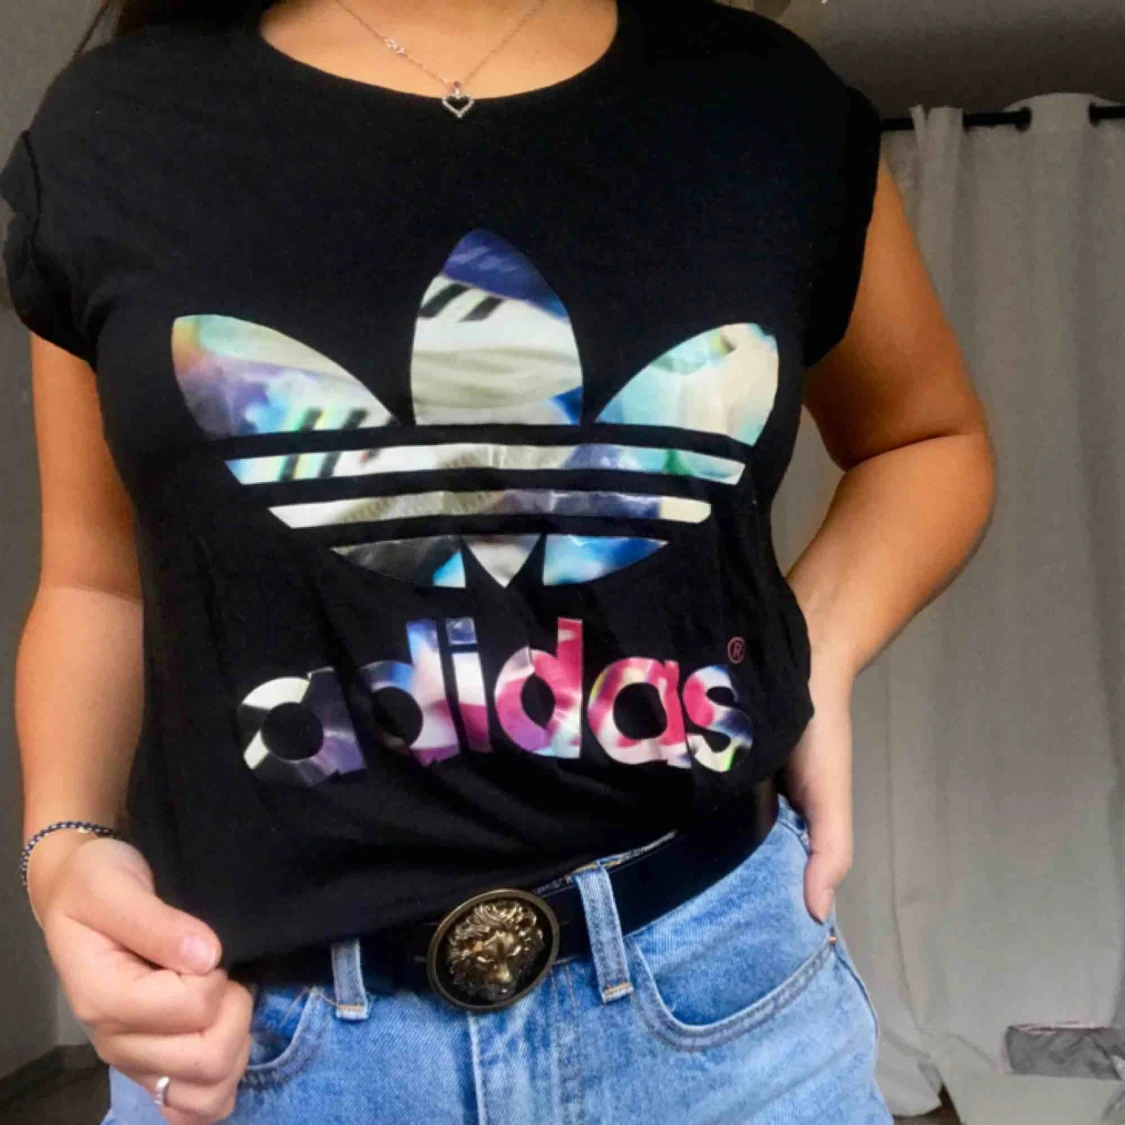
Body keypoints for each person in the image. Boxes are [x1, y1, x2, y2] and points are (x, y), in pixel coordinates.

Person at [2, 0, 996, 1122]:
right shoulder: (117, 132)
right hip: (260, 1051)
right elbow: (96, 583)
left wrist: (817, 646)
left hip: (722, 1018)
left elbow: (926, 440)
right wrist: (63, 849)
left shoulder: (766, 103)